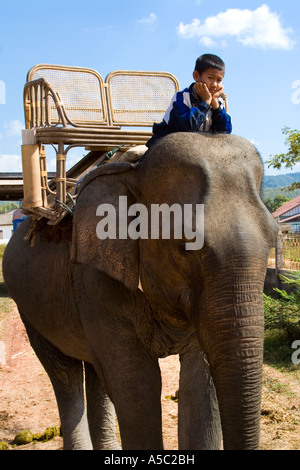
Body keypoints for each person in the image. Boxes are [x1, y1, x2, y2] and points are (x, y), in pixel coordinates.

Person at [146, 53, 232, 149]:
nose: (214, 85)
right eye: (210, 78)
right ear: (196, 76)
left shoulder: (217, 102)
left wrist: (215, 104)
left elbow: (225, 132)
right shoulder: (182, 98)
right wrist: (205, 103)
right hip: (170, 145)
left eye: (219, 80)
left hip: (201, 148)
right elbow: (185, 129)